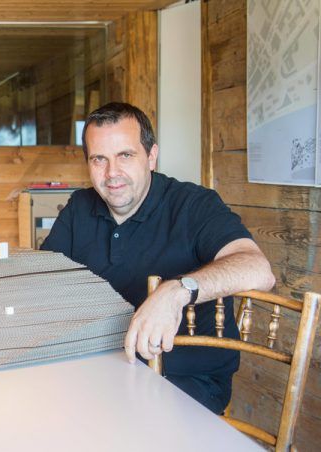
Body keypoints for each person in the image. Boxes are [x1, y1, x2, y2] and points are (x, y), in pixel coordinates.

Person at [41, 102, 275, 413]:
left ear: (151, 157)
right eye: (99, 159)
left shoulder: (194, 205)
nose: (112, 173)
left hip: (185, 380)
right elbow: (41, 282)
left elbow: (259, 269)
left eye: (126, 155)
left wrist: (177, 291)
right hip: (100, 370)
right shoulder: (80, 207)